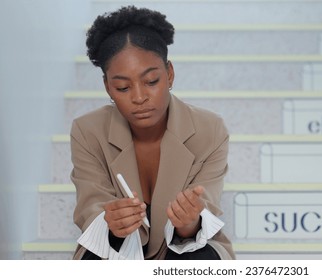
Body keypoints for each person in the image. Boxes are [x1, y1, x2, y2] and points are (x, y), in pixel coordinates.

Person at [70, 5, 235, 260]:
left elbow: (206, 210)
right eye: (123, 88)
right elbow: (91, 207)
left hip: (184, 247)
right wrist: (111, 223)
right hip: (119, 249)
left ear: (169, 74)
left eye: (151, 82)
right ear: (107, 87)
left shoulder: (209, 130)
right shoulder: (88, 131)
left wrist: (189, 221)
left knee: (200, 258)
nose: (139, 97)